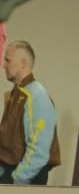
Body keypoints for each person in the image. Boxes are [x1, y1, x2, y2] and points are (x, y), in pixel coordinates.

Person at [0, 39, 61, 185]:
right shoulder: (16, 95)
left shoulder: (36, 97)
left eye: (7, 60)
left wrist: (16, 180)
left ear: (23, 64)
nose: (3, 66)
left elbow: (38, 154)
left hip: (24, 181)